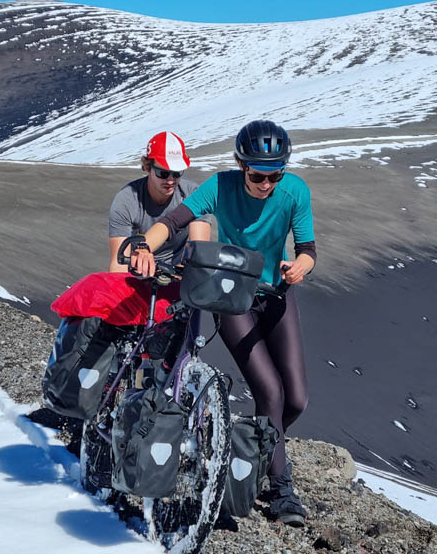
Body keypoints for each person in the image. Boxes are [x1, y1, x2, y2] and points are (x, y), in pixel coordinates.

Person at [130, 120, 316, 526]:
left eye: (274, 175)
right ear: (240, 165)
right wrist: (145, 245)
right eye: (256, 174)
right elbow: (174, 221)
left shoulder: (295, 191)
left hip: (276, 295)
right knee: (270, 391)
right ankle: (282, 490)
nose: (266, 184)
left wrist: (299, 267)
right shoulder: (220, 185)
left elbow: (307, 250)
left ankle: (242, 449)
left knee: (296, 400)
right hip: (233, 298)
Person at [108, 131, 211, 272]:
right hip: (138, 271)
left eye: (177, 173)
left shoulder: (193, 195)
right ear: (147, 168)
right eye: (163, 173)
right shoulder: (126, 200)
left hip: (178, 270)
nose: (170, 180)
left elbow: (198, 255)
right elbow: (119, 264)